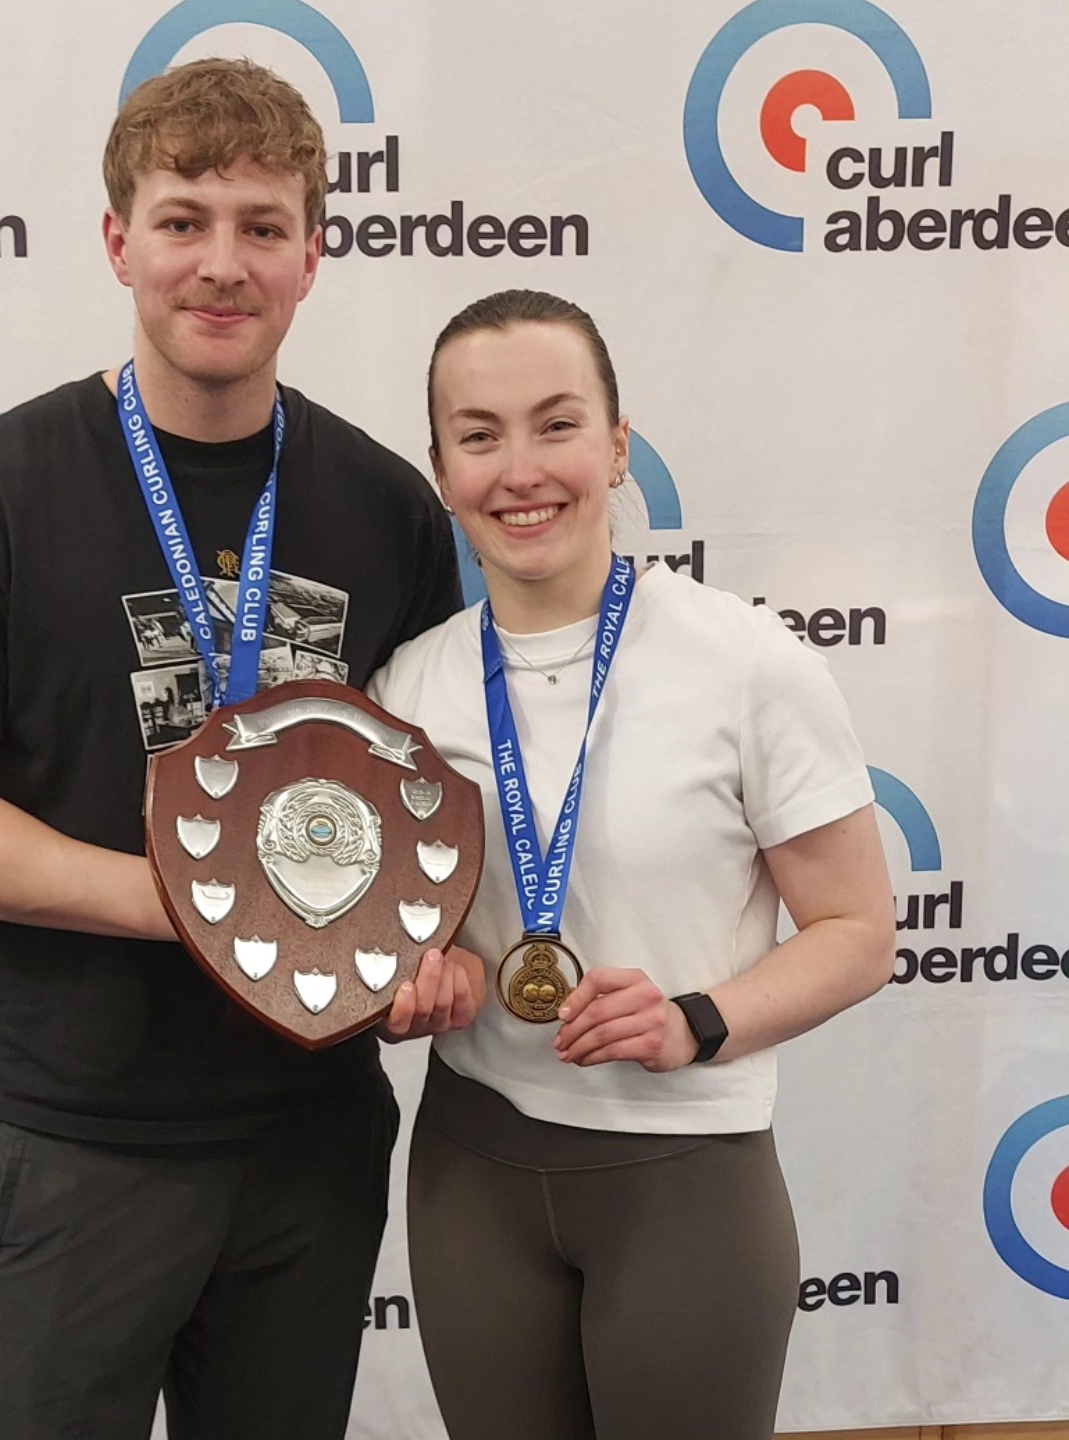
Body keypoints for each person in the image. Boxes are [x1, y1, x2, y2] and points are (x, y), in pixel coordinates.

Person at [0, 59, 481, 1440]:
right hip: (83, 1137)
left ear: (314, 255)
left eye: (263, 225)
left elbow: (434, 801)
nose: (222, 263)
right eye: (184, 219)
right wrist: (194, 899)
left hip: (313, 1126)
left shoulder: (387, 507)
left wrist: (442, 950)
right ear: (118, 241)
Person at [367, 289, 896, 1440]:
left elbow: (859, 935)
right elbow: (411, 927)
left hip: (684, 1180)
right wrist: (431, 977)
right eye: (479, 436)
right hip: (471, 1168)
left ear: (616, 446)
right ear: (442, 472)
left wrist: (698, 1020)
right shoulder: (408, 687)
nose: (521, 471)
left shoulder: (746, 664)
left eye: (557, 425)